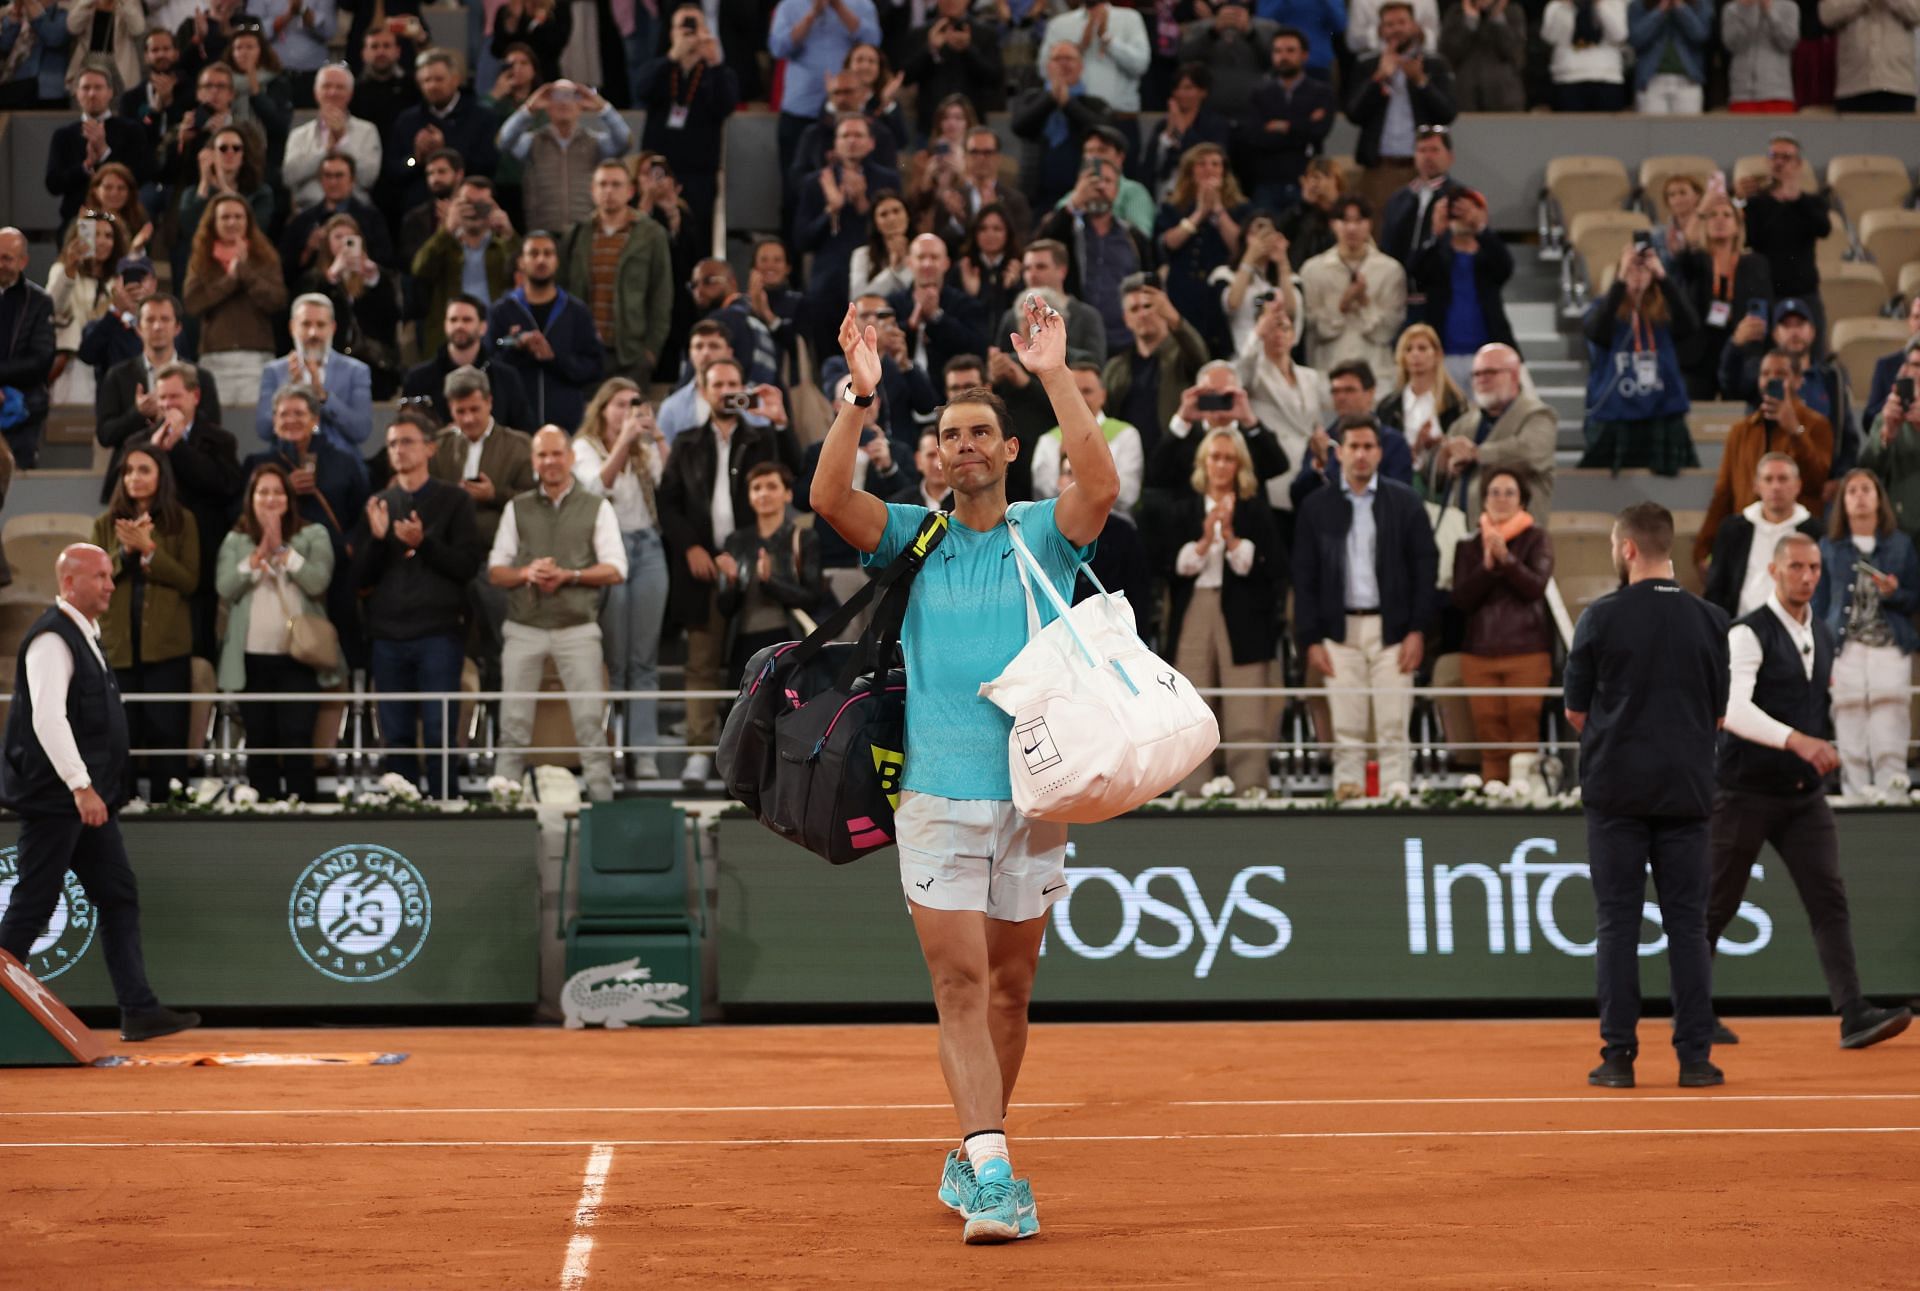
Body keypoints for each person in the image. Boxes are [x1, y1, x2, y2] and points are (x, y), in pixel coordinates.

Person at [809, 295, 1119, 1245]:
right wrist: (861, 397)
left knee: (1014, 990)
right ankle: (992, 1172)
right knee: (959, 987)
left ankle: (977, 1146)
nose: (967, 445)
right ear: (936, 455)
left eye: (984, 431)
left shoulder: (1046, 531)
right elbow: (828, 499)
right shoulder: (913, 532)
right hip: (934, 794)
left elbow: (1100, 484)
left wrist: (1057, 374)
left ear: (1009, 448)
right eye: (952, 435)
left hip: (1035, 793)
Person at [1706, 533, 1913, 1049]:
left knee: (1829, 900)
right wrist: (1798, 740)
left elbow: (1811, 703)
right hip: (1742, 792)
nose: (1807, 575)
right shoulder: (1747, 634)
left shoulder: (1822, 633)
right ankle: (1694, 1013)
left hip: (1802, 798)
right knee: (1713, 907)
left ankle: (1852, 1013)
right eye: (1796, 566)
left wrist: (1817, 745)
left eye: (1815, 567)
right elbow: (1731, 710)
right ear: (1774, 572)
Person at [0, 545, 200, 1042]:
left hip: (88, 801)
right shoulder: (52, 639)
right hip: (60, 798)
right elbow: (48, 719)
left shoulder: (85, 635)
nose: (111, 585)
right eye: (101, 576)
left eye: (111, 575)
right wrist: (81, 786)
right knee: (33, 904)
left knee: (117, 895)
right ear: (70, 584)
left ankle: (139, 1009)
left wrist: (93, 792)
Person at [1563, 502, 1728, 1089]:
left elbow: (1576, 711)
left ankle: (1618, 1057)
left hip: (1616, 793)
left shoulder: (1599, 618)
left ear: (1628, 548)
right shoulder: (1712, 620)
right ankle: (1695, 1059)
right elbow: (1716, 713)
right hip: (1686, 791)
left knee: (1617, 924)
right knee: (1687, 925)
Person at [657, 358, 788, 785]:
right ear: (703, 389)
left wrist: (780, 424)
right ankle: (699, 749)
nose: (727, 391)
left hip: (761, 564)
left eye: (735, 384)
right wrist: (692, 547)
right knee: (701, 660)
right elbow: (668, 503)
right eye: (719, 384)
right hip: (703, 567)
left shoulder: (763, 435)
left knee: (761, 660)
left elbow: (793, 482)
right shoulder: (687, 441)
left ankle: (759, 751)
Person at [1292, 416, 1435, 798]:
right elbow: (1303, 578)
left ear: (1380, 452)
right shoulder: (1315, 507)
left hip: (1393, 631)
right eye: (1352, 447)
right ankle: (1348, 800)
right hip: (1338, 631)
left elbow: (1426, 570)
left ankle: (1397, 799)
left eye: (1368, 447)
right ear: (1340, 452)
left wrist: (1418, 630)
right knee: (1346, 729)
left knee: (1393, 725)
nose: (1360, 455)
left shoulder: (1405, 501)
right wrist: (1311, 639)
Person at [488, 426, 629, 801]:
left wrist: (570, 575)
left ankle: (603, 806)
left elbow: (617, 569)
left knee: (589, 724)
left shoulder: (596, 506)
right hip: (524, 627)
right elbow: (496, 570)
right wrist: (527, 573)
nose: (549, 462)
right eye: (541, 455)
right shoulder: (516, 507)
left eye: (556, 454)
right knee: (513, 725)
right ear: (533, 461)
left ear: (570, 457)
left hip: (578, 627)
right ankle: (503, 807)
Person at [350, 410, 484, 799]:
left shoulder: (455, 500)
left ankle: (445, 806)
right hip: (388, 635)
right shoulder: (379, 503)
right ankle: (403, 813)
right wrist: (376, 541)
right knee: (397, 734)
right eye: (392, 444)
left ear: (430, 448)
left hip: (438, 634)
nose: (398, 450)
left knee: (441, 730)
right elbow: (359, 580)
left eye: (406, 441)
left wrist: (422, 544)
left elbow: (466, 566)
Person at [1167, 426, 1285, 796]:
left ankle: (1250, 788)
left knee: (1246, 704)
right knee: (1193, 703)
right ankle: (1193, 791)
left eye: (1228, 458)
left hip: (1244, 615)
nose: (1221, 465)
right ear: (1204, 463)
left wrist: (1231, 535)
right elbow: (1175, 566)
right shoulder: (1183, 508)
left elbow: (1264, 566)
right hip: (1195, 610)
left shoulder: (1254, 508)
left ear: (1240, 465)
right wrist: (1205, 539)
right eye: (1215, 457)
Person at [215, 462, 341, 802]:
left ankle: (302, 811)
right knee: (260, 739)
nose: (270, 499)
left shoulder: (313, 534)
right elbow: (225, 587)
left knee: (298, 737)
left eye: (277, 492)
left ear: (288, 498)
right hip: (251, 658)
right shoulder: (236, 539)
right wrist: (258, 556)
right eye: (263, 492)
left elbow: (318, 582)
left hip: (299, 656)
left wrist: (284, 553)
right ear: (251, 498)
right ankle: (263, 814)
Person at [573, 380, 671, 779]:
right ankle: (610, 752)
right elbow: (596, 486)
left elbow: (670, 480)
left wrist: (656, 435)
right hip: (608, 551)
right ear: (602, 408)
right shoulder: (584, 448)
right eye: (620, 404)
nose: (628, 412)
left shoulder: (644, 450)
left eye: (635, 404)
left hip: (648, 547)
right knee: (614, 660)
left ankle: (643, 752)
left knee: (643, 660)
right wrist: (624, 441)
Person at [89, 444, 199, 797]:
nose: (134, 477)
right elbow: (94, 579)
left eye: (144, 470)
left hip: (166, 652)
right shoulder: (105, 524)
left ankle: (170, 814)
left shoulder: (183, 521)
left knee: (167, 737)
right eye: (128, 471)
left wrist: (151, 550)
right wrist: (125, 551)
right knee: (120, 740)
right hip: (118, 650)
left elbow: (189, 580)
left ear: (161, 476)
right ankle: (118, 819)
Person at [120, 363, 241, 660]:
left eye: (175, 397)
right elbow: (121, 492)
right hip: (150, 558)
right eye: (162, 399)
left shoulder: (220, 440)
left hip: (201, 557)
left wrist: (177, 449)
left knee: (200, 642)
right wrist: (156, 450)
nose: (167, 405)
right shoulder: (139, 443)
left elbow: (224, 486)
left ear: (195, 396)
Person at [1815, 469, 1919, 795]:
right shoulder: (1828, 546)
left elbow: (1914, 597)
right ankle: (1855, 792)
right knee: (1848, 716)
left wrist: (1893, 592)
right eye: (1852, 491)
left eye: (1866, 490)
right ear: (1843, 502)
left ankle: (1894, 790)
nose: (1860, 496)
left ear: (1879, 499)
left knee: (1890, 715)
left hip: (1889, 644)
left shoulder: (1901, 544)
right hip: (1844, 646)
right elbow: (1819, 602)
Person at [1451, 468, 1552, 784]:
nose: (1501, 499)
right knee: (1488, 732)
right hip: (1478, 652)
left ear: (1522, 500)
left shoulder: (1537, 539)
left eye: (1509, 492)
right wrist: (1487, 566)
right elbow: (1462, 599)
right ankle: (1493, 795)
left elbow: (1535, 587)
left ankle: (1525, 799)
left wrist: (1506, 559)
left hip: (1527, 651)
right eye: (1495, 492)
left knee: (1523, 732)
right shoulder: (1468, 546)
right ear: (1483, 500)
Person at [1694, 353, 1833, 570]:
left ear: (1798, 380)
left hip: (1797, 542)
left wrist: (1796, 431)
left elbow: (1817, 481)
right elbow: (1724, 493)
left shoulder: (1817, 425)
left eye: (1781, 374)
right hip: (1746, 541)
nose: (1771, 379)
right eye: (1765, 373)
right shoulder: (1740, 432)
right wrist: (1705, 547)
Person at [1579, 242, 1698, 477]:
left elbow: (1690, 325)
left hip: (1662, 414)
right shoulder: (1603, 309)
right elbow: (1596, 332)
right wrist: (1621, 282)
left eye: (1643, 269)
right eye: (1631, 268)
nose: (1637, 274)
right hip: (1616, 416)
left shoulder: (1664, 311)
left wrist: (1663, 277)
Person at [559, 160, 674, 388]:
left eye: (616, 184)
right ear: (593, 190)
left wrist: (650, 351)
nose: (608, 191)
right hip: (584, 351)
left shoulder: (651, 235)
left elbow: (662, 295)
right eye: (602, 184)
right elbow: (562, 289)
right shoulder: (577, 234)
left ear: (630, 191)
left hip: (631, 352)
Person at [714, 461, 828, 680]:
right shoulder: (736, 541)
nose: (763, 494)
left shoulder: (803, 538)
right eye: (756, 488)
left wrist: (770, 581)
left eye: (771, 486)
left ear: (787, 494)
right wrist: (732, 582)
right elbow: (725, 608)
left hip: (788, 638)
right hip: (744, 642)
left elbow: (812, 598)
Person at [94, 295, 224, 486]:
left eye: (165, 319)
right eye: (150, 319)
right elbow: (105, 435)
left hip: (189, 481)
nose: (157, 326)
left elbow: (213, 432)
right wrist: (138, 414)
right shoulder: (118, 375)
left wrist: (180, 418)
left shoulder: (201, 378)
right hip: (131, 483)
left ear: (178, 327)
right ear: (138, 328)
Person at [1345, 4, 1457, 221]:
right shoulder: (1367, 66)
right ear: (1380, 30)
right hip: (1380, 168)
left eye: (1401, 23)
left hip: (1423, 169)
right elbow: (1354, 113)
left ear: (1415, 26)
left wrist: (1421, 81)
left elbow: (1448, 114)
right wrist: (1379, 78)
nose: (1396, 29)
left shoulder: (1434, 64)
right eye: (1389, 24)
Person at [484, 233, 606, 433]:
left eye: (548, 253)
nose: (541, 260)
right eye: (534, 253)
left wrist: (554, 358)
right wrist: (516, 349)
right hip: (514, 427)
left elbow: (595, 367)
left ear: (557, 261)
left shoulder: (576, 311)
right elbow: (487, 365)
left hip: (566, 424)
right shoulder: (502, 311)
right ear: (521, 262)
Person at [179, 193, 286, 406]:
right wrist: (229, 279)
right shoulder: (201, 258)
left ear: (248, 221)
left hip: (257, 358)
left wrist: (244, 271)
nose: (232, 222)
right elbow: (192, 303)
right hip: (215, 358)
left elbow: (277, 301)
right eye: (225, 217)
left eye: (238, 217)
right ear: (213, 223)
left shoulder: (265, 257)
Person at [1435, 342, 1556, 520]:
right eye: (1476, 374)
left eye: (1490, 372)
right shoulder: (1462, 424)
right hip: (1464, 536)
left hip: (1519, 539)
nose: (1482, 379)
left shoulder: (1538, 415)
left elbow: (1531, 453)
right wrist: (1444, 460)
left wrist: (1476, 453)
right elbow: (1437, 479)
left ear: (1514, 375)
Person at [1674, 189, 1773, 401]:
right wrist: (1701, 209)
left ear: (1737, 227)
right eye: (1712, 215)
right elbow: (1683, 248)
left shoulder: (1755, 263)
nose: (1719, 220)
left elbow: (1765, 307)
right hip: (1698, 356)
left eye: (1727, 215)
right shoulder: (1696, 260)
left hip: (1741, 349)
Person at [499, 80, 633, 237]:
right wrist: (529, 108)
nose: (563, 102)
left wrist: (602, 107)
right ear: (547, 106)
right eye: (557, 96)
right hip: (543, 232)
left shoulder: (594, 142)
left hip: (585, 232)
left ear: (580, 106)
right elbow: (503, 141)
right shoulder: (533, 142)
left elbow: (625, 140)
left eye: (570, 96)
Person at [1154, 145, 1252, 357]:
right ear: (1190, 170)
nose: (1209, 169)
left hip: (1222, 294)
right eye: (1202, 164)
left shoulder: (1240, 209)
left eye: (1215, 164)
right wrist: (1199, 213)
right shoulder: (1173, 207)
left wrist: (1217, 211)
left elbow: (1240, 247)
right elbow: (1168, 243)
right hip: (1183, 293)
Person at [768, 0, 882, 181]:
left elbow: (873, 42)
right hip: (800, 109)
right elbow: (778, 48)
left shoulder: (863, 5)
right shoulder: (789, 6)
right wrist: (812, 15)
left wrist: (839, 8)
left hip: (848, 115)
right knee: (795, 183)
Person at [1235, 302, 1327, 524]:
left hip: (1307, 472)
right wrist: (1258, 331)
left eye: (1284, 328)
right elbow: (1239, 374)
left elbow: (1317, 426)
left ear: (1294, 335)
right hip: (1275, 471)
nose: (1278, 335)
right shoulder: (1255, 376)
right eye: (1272, 328)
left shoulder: (1310, 377)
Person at [1703, 452, 1826, 617]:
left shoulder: (1816, 531)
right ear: (1756, 486)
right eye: (1768, 479)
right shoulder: (1732, 529)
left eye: (1783, 479)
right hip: (1740, 628)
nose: (1775, 486)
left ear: (1798, 485)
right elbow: (1716, 588)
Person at [254, 294, 376, 457]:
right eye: (306, 324)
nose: (313, 333)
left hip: (341, 465)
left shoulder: (356, 371)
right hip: (287, 464)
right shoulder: (274, 371)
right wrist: (289, 390)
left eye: (320, 325)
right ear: (292, 327)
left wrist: (322, 396)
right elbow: (264, 429)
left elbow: (361, 430)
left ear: (332, 328)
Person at [381, 49, 500, 216]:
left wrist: (446, 149)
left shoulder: (482, 118)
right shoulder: (407, 120)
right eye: (426, 80)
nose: (432, 86)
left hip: (469, 209)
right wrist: (415, 159)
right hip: (418, 214)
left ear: (455, 79)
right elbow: (393, 169)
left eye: (439, 79)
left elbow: (488, 164)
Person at [1300, 195, 1407, 380]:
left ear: (1370, 224)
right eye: (1344, 220)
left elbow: (1389, 329)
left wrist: (1365, 303)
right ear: (1333, 224)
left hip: (1376, 373)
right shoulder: (1312, 270)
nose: (1351, 228)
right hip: (1327, 372)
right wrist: (1341, 306)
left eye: (1359, 221)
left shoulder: (1390, 270)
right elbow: (1312, 326)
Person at [411, 176, 521, 356]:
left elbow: (525, 278)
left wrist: (509, 235)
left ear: (494, 208)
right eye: (467, 204)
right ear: (455, 205)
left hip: (495, 338)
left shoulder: (503, 246)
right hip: (451, 339)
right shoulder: (444, 244)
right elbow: (420, 270)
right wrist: (446, 231)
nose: (474, 211)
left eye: (481, 205)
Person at [1736, 135, 1830, 344]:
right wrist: (1739, 199)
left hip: (1804, 292)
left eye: (1786, 157)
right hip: (1767, 293)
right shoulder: (1756, 204)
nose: (1779, 162)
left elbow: (1823, 229)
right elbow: (1747, 240)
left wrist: (1795, 199)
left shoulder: (1812, 202)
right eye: (1774, 156)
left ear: (1799, 164)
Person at [1102, 278, 1210, 459]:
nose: (1142, 314)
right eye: (1134, 309)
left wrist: (1175, 318)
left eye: (1148, 306)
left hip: (1179, 459)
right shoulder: (1115, 367)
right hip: (1129, 463)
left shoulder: (1183, 356)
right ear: (1126, 319)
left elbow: (1201, 359)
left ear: (1164, 309)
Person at [1412, 188, 1514, 375]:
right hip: (1444, 352)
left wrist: (1481, 229)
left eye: (1469, 209)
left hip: (1487, 350)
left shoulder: (1489, 253)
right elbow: (1418, 275)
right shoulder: (1438, 254)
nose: (1461, 217)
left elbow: (1505, 269)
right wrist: (1436, 234)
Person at [1008, 43, 1117, 215]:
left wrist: (1067, 104)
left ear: (1081, 66)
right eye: (1057, 59)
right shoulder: (1032, 98)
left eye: (1069, 59)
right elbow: (1019, 126)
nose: (1063, 64)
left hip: (1081, 194)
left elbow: (1101, 131)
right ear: (1047, 66)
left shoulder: (1095, 104)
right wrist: (1051, 98)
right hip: (1035, 195)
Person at [1238, 28, 1337, 213]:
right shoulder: (1259, 94)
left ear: (1304, 55)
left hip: (1306, 179)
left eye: (1290, 50)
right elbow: (1254, 136)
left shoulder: (1321, 92)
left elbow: (1319, 131)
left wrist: (1281, 126)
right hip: (1266, 182)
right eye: (1278, 51)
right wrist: (1303, 125)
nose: (1283, 56)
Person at [402, 294, 533, 432]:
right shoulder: (418, 379)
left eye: (467, 320)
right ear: (445, 325)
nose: (459, 326)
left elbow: (524, 433)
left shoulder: (506, 378)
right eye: (453, 320)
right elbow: (406, 431)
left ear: (483, 327)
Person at [1028, 363, 1144, 510]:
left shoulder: (1126, 434)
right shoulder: (1048, 440)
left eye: (1087, 391)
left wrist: (1077, 484)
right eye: (1074, 391)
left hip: (1113, 524)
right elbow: (1042, 496)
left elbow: (1128, 495)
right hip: (1061, 525)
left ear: (1103, 396)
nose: (1080, 398)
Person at [47, 67, 153, 226]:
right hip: (78, 219)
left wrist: (105, 153)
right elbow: (53, 184)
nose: (92, 94)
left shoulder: (132, 130)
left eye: (98, 87)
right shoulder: (63, 135)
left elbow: (141, 176)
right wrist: (86, 166)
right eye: (86, 88)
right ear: (76, 93)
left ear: (110, 92)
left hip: (121, 219)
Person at [45, 208, 128, 406]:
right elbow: (52, 308)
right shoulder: (63, 271)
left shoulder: (118, 280)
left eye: (108, 236)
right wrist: (70, 269)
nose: (102, 241)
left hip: (111, 365)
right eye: (95, 234)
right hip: (74, 367)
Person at [278, 152, 396, 284]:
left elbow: (387, 263)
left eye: (339, 176)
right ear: (320, 180)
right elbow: (284, 267)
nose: (333, 182)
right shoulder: (302, 221)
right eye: (328, 176)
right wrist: (308, 249)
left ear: (352, 180)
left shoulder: (372, 218)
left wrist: (363, 258)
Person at [281, 63, 381, 212]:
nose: (333, 92)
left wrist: (342, 140)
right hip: (308, 211)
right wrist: (324, 151)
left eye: (340, 87)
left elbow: (368, 178)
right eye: (326, 86)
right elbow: (289, 177)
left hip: (355, 212)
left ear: (350, 93)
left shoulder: (367, 131)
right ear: (316, 92)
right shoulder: (299, 134)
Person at [1377, 322, 1467, 484]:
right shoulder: (1388, 406)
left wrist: (1441, 445)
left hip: (1442, 482)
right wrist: (1414, 447)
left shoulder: (1455, 403)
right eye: (1409, 349)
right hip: (1397, 482)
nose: (1415, 354)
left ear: (1437, 354)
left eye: (1422, 348)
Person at [902, 0, 1004, 136]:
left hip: (972, 127)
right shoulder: (921, 34)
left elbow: (994, 79)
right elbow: (906, 77)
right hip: (930, 128)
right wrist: (930, 50)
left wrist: (968, 50)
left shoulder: (986, 34)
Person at [0, 228, 57, 470]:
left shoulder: (40, 302)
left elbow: (40, 359)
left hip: (24, 413)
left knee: (19, 489)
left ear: (23, 261)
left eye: (6, 258)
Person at [1041, 0, 1151, 112]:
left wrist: (1107, 39)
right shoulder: (1059, 23)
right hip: (1069, 113)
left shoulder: (1130, 18)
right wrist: (1078, 49)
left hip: (1120, 114)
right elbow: (1043, 71)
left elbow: (1140, 66)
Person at [1862, 346, 1920, 546]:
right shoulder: (1888, 416)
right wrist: (1887, 434)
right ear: (1905, 370)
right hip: (1898, 534)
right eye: (1916, 365)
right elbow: (1866, 472)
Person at [1818, 0, 1919, 113]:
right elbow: (1827, 15)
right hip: (1853, 84)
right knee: (1852, 131)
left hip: (1897, 84)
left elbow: (1916, 13)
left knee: (1899, 130)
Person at [1379, 123, 1454, 271]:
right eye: (1422, 150)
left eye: (1434, 150)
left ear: (1450, 157)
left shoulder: (1459, 197)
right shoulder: (1397, 199)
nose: (1427, 156)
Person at [1438, 0, 1527, 111]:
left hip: (1504, 98)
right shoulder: (1456, 12)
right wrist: (1470, 22)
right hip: (1466, 98)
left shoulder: (1512, 12)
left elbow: (1516, 53)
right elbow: (1447, 55)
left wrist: (1497, 18)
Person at [1541, 0, 1629, 110]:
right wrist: (1566, 7)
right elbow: (1551, 37)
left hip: (1607, 77)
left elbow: (1619, 35)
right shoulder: (1556, 5)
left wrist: (1600, 5)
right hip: (1568, 77)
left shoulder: (1613, 3)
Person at [1626, 0, 1711, 114]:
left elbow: (1700, 35)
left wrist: (1680, 7)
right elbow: (1636, 39)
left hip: (1688, 82)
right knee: (1652, 131)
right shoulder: (1638, 5)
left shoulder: (1701, 3)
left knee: (1689, 130)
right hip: (1651, 82)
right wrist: (1660, 10)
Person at [1721, 0, 1799, 112]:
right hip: (1741, 94)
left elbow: (1788, 42)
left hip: (1777, 94)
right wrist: (1748, 11)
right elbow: (1731, 44)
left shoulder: (1789, 7)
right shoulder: (1732, 9)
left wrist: (1769, 12)